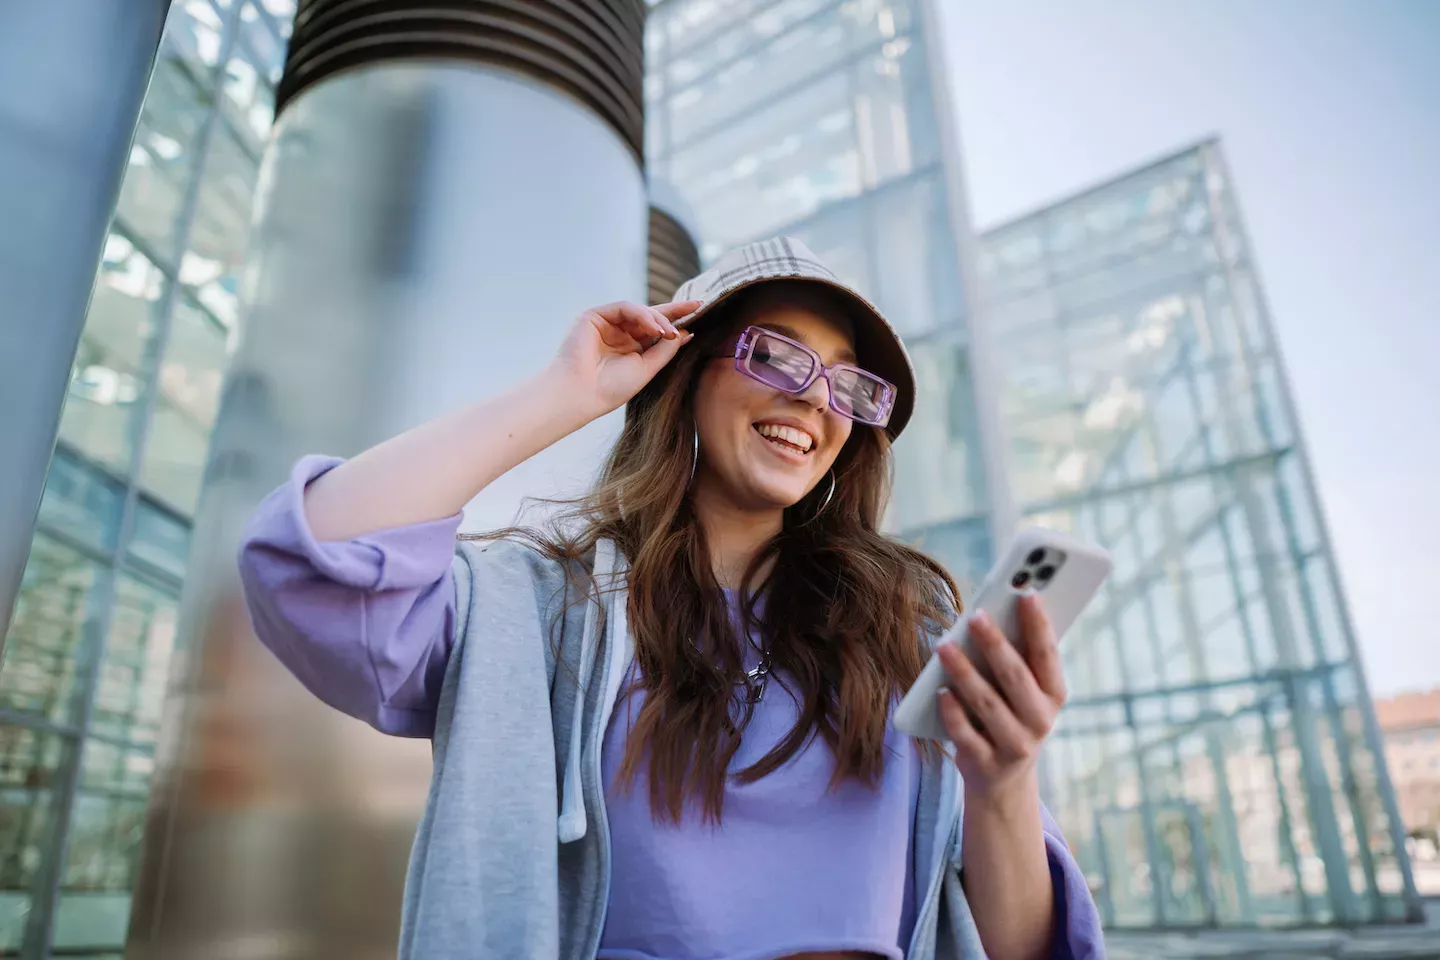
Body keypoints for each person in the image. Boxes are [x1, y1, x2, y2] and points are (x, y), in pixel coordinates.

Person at [238, 237, 1104, 960]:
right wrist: (566, 395)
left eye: (849, 385)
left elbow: (1022, 947)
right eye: (774, 353)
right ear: (682, 370)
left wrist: (1003, 781)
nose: (813, 396)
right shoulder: (545, 613)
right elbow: (310, 563)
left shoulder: (907, 637)